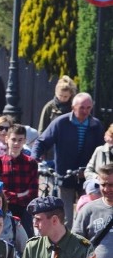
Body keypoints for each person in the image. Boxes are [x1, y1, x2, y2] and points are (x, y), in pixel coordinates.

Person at [33, 93, 105, 228]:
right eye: (82, 108)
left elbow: (102, 149)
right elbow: (42, 142)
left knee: (87, 214)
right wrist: (34, 160)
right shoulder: (61, 122)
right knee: (66, 218)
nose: (85, 111)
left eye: (89, 108)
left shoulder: (96, 125)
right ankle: (66, 246)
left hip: (87, 177)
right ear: (73, 107)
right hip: (65, 175)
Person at [0, 124, 38, 235]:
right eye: (14, 139)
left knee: (28, 240)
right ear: (7, 139)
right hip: (3, 208)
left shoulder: (31, 163)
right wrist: (18, 195)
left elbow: (33, 192)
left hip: (24, 209)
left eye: (20, 140)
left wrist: (10, 196)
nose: (16, 143)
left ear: (25, 141)